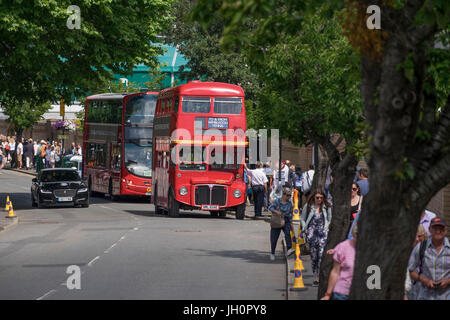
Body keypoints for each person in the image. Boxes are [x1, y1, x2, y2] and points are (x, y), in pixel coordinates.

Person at [408, 217, 450, 300]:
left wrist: (448, 281)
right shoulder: (421, 247)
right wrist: (424, 280)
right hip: (425, 296)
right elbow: (411, 270)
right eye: (435, 228)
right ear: (430, 230)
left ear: (446, 230)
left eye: (441, 228)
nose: (438, 231)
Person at [301, 189, 332, 286]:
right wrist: (305, 229)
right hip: (312, 234)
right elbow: (302, 218)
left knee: (321, 254)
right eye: (317, 197)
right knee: (314, 256)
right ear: (314, 197)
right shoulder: (309, 206)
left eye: (321, 198)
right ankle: (315, 276)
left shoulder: (326, 207)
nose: (319, 199)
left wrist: (327, 228)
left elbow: (330, 219)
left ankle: (320, 276)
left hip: (322, 234)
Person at [321, 225, 358, 300]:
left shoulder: (371, 250)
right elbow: (335, 272)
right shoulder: (343, 247)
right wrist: (328, 294)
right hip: (342, 294)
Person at [269, 187, 295, 260]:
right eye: (287, 195)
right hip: (277, 220)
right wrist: (276, 211)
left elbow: (290, 215)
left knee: (288, 234)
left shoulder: (290, 204)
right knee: (274, 237)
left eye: (290, 195)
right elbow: (270, 208)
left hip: (286, 220)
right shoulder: (277, 201)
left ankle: (289, 249)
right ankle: (272, 253)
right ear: (283, 194)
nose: (288, 197)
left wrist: (292, 225)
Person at [405, 224, 428, 300]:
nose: (417, 239)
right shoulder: (403, 256)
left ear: (424, 237)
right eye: (414, 236)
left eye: (420, 236)